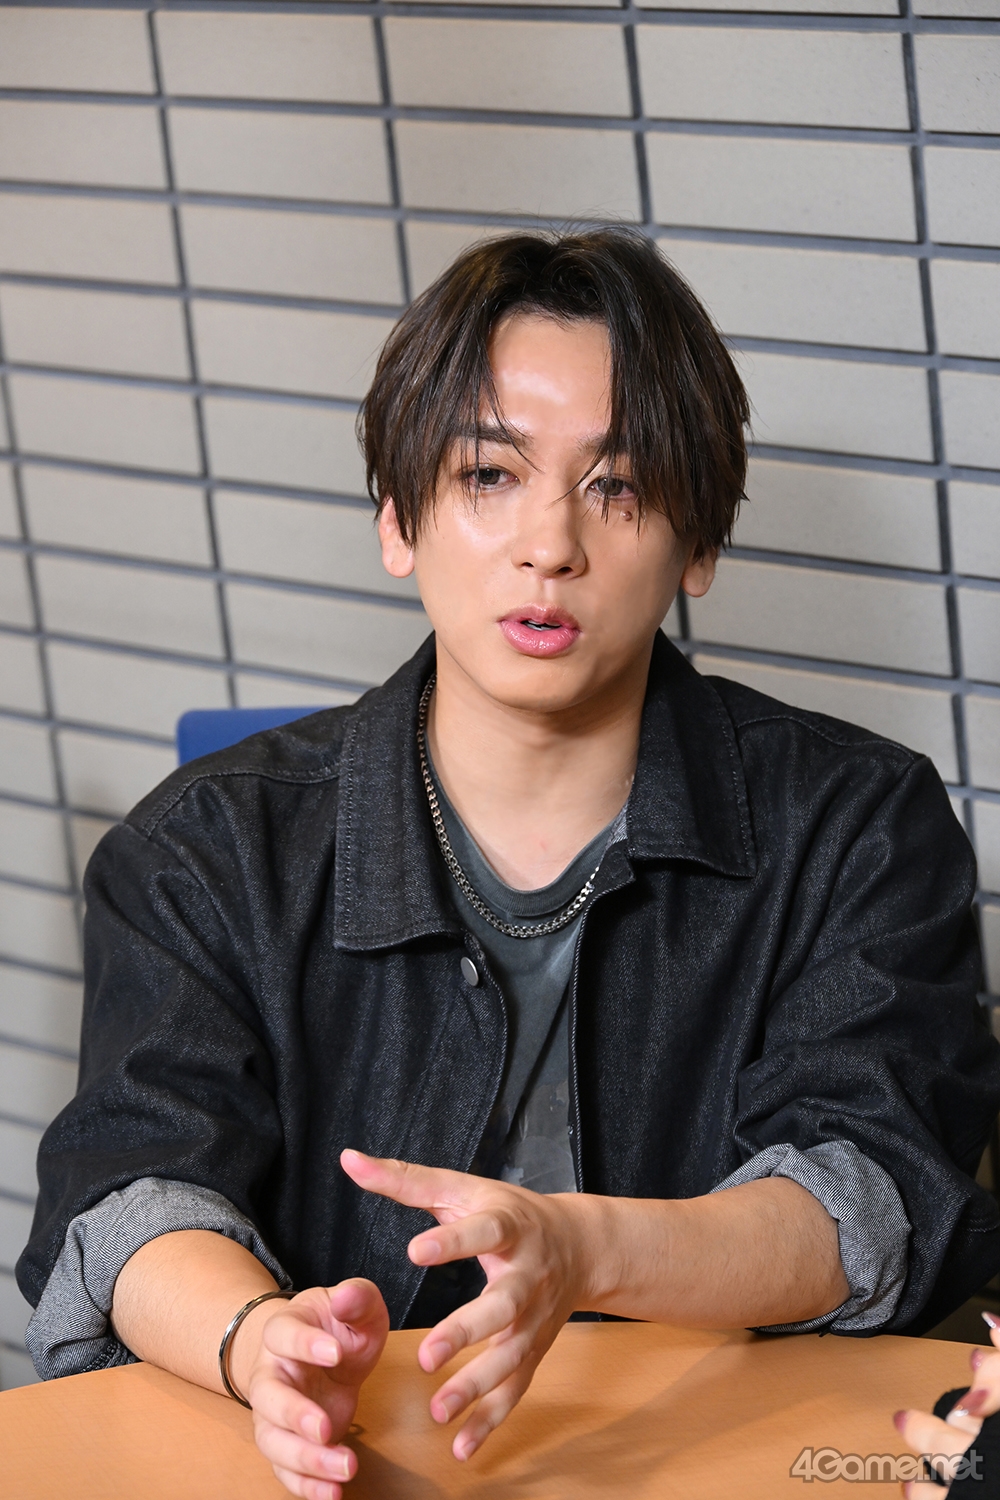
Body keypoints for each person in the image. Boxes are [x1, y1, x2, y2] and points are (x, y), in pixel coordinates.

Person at [17, 229, 1000, 1500]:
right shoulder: (202, 850)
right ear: (396, 517)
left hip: (715, 1461)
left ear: (698, 546)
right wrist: (264, 1345)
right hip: (342, 1468)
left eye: (618, 486)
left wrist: (582, 1248)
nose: (549, 545)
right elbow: (137, 1195)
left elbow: (868, 1193)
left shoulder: (858, 823)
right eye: (488, 474)